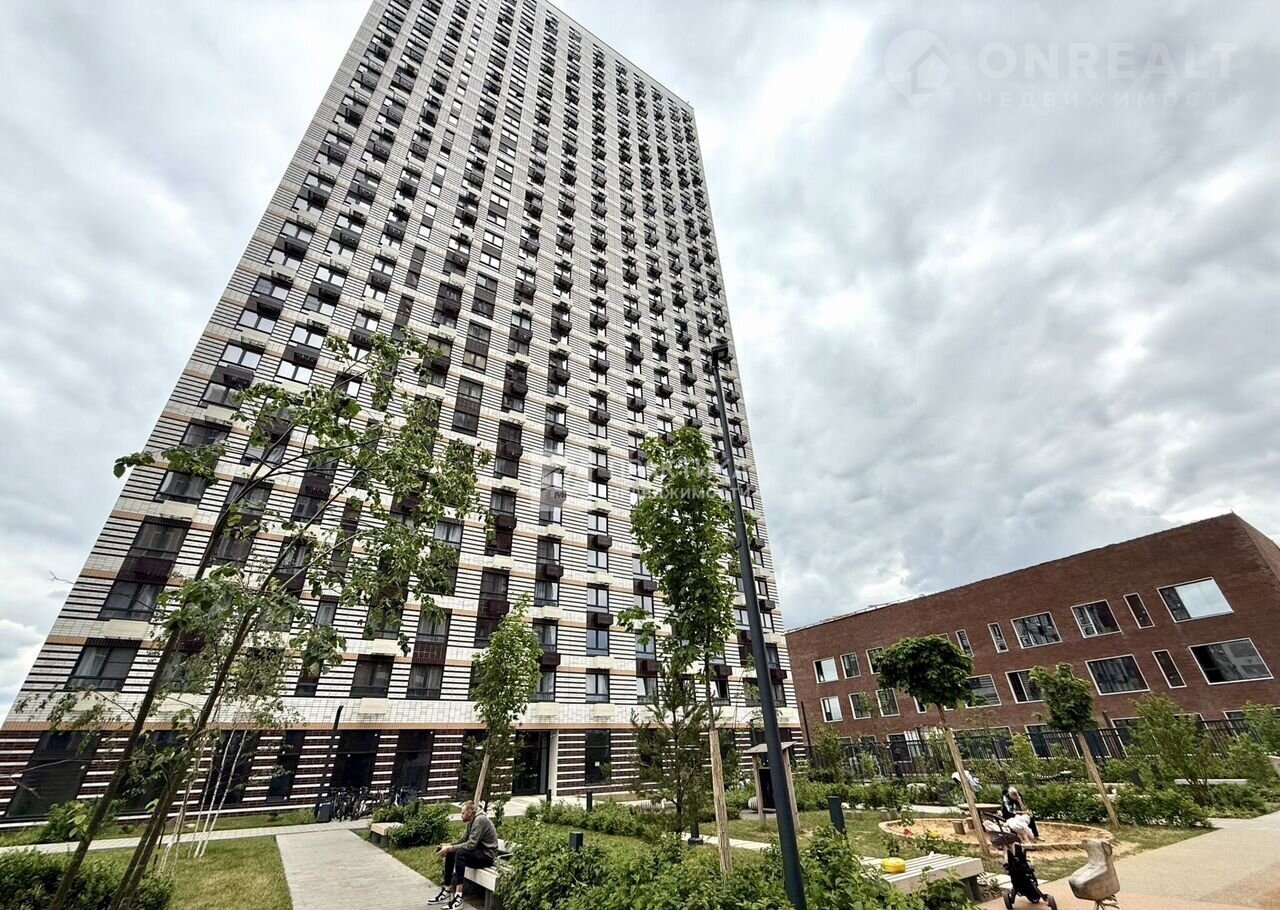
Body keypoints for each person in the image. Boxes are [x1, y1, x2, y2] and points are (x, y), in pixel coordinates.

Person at [431, 801, 499, 909]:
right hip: (478, 853)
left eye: (463, 813)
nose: (461, 815)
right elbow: (463, 840)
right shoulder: (471, 822)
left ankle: (459, 896)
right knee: (451, 852)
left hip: (487, 856)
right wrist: (448, 846)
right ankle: (446, 890)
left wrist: (451, 848)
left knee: (460, 853)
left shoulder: (479, 820)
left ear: (470, 812)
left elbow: (471, 845)